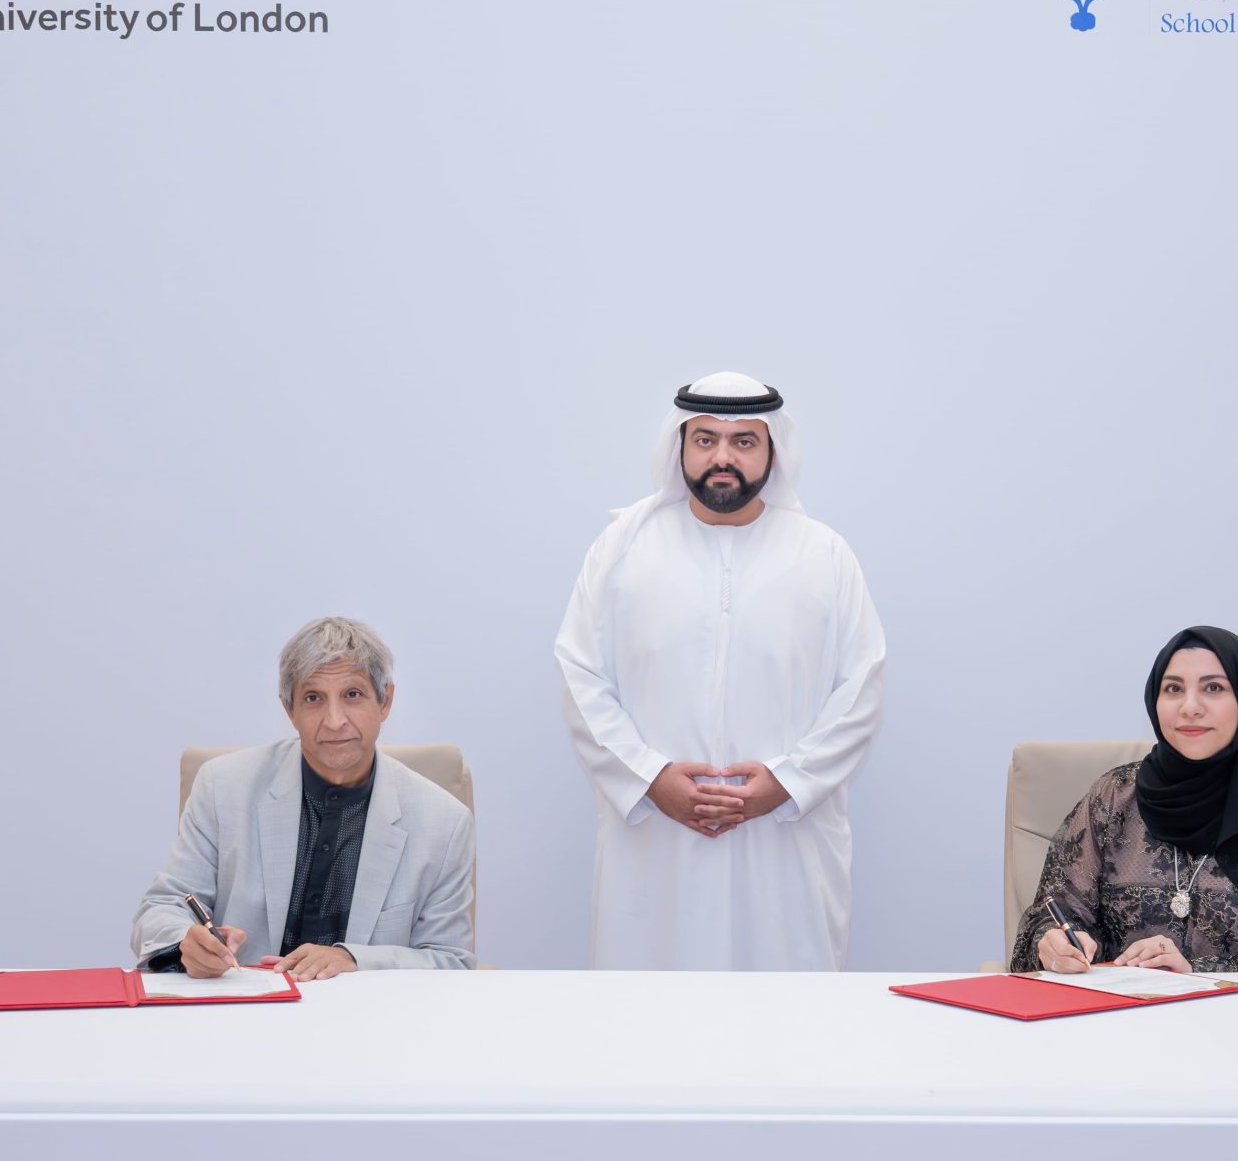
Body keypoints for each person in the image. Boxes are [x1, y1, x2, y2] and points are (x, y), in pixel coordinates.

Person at [555, 372, 886, 969]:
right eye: (705, 440)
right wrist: (651, 778)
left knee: (787, 1009)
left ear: (772, 451)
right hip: (656, 843)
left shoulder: (824, 555)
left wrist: (787, 782)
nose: (722, 457)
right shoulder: (621, 551)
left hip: (785, 841)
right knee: (649, 1009)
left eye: (743, 441)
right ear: (679, 447)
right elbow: (582, 678)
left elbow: (860, 690)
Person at [132, 616, 476, 977]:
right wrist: (185, 942)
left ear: (384, 701)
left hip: (368, 1009)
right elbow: (161, 908)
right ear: (289, 710)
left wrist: (354, 960)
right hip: (245, 1002)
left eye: (353, 695)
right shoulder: (223, 788)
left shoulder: (443, 823)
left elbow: (451, 961)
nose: (334, 720)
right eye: (313, 698)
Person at [1013, 625, 1238, 974]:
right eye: (1173, 689)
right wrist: (1053, 943)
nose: (1190, 707)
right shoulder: (1112, 798)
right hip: (1120, 1009)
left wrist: (1197, 973)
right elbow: (1054, 915)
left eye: (1214, 688)